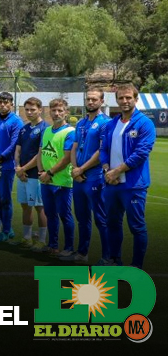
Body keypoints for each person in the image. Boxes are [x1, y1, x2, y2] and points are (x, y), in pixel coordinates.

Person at [100, 85, 155, 269]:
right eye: (121, 98)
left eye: (128, 98)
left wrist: (117, 171)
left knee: (136, 226)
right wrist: (108, 170)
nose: (124, 101)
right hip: (112, 183)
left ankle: (137, 267)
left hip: (133, 185)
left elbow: (141, 153)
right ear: (117, 100)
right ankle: (115, 260)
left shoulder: (144, 123)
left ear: (135, 99)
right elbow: (103, 150)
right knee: (112, 223)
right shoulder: (111, 124)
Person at [69, 88, 111, 264]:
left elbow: (101, 151)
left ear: (101, 101)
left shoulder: (105, 123)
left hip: (94, 176)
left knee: (101, 219)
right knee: (82, 217)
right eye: (88, 99)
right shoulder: (81, 123)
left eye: (94, 99)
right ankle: (82, 253)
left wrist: (82, 169)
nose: (91, 102)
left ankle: (107, 256)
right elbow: (74, 147)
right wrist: (74, 168)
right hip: (78, 177)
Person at [37, 98, 76, 256]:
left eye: (60, 110)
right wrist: (41, 172)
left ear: (66, 112)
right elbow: (40, 153)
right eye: (54, 110)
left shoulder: (70, 132)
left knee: (64, 215)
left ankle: (68, 247)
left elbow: (66, 158)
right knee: (50, 214)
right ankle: (52, 245)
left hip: (62, 182)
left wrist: (50, 173)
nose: (57, 113)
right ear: (49, 112)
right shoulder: (46, 130)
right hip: (46, 180)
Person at [0, 92, 23, 242]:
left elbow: (14, 145)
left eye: (5, 102)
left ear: (11, 104)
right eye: (0, 102)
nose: (2, 104)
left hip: (6, 166)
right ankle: (2, 227)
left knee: (5, 199)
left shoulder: (16, 121)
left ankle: (7, 230)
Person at [14, 98, 48, 249]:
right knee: (25, 205)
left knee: (39, 207)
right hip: (22, 175)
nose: (29, 112)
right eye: (27, 109)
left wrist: (23, 169)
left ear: (40, 110)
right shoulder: (24, 128)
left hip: (35, 174)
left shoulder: (45, 128)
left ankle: (41, 240)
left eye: (32, 109)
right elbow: (18, 150)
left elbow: (39, 155)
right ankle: (27, 237)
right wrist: (18, 167)